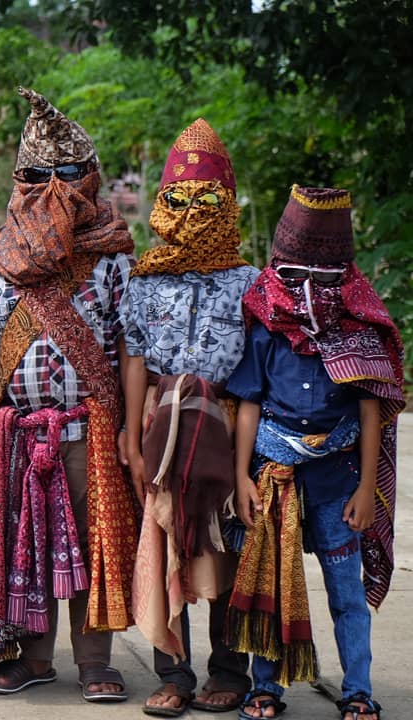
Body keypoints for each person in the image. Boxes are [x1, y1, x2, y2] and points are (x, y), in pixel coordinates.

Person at [0, 87, 137, 702]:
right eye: (39, 176)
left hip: (90, 428)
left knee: (95, 544)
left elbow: (130, 347)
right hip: (20, 430)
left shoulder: (114, 258)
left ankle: (95, 661)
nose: (55, 190)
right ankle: (35, 658)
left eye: (69, 175)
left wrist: (129, 427)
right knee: (31, 541)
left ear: (90, 178)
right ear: (19, 182)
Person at [226, 186, 404, 720]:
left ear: (342, 277)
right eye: (295, 274)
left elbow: (370, 410)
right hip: (272, 474)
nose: (307, 289)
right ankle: (265, 688)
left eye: (323, 278)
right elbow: (249, 403)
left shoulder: (359, 324)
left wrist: (367, 488)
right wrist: (241, 478)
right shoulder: (266, 322)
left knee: (346, 591)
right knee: (269, 583)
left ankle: (358, 692)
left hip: (339, 480)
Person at [120, 119, 257, 716]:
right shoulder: (144, 280)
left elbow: (260, 370)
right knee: (163, 539)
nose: (192, 212)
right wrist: (132, 435)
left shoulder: (251, 283)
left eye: (208, 201)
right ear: (161, 202)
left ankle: (229, 672)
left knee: (224, 547)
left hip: (225, 424)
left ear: (229, 204)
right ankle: (173, 673)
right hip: (163, 426)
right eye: (179, 199)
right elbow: (134, 357)